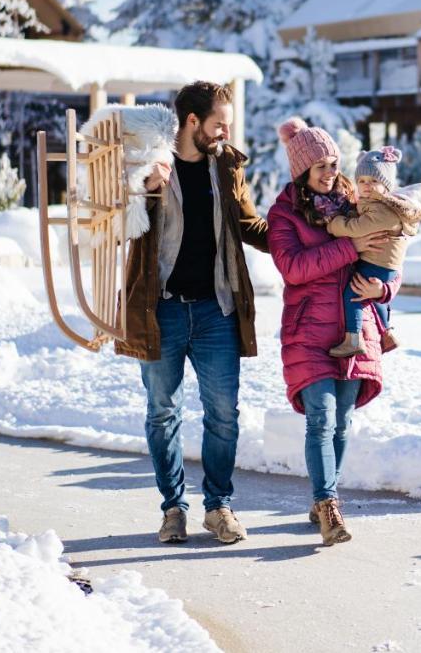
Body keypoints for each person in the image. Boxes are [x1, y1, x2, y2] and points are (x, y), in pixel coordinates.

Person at [116, 80, 268, 546]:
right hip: (159, 308)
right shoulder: (148, 163)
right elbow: (108, 209)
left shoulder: (227, 168)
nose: (226, 132)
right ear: (192, 121)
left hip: (216, 310)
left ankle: (219, 506)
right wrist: (140, 187)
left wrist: (312, 235)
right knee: (163, 413)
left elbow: (248, 224)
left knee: (224, 414)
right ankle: (173, 508)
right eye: (219, 123)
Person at [266, 117, 395, 546]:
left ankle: (325, 496)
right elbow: (293, 268)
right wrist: (349, 247)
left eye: (333, 162)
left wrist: (385, 288)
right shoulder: (284, 213)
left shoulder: (357, 201)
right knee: (320, 418)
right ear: (302, 170)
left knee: (342, 421)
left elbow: (391, 254)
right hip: (309, 330)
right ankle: (328, 504)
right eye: (319, 164)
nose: (329, 171)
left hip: (357, 325)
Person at [322, 146, 421, 357]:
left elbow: (357, 228)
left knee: (353, 295)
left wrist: (334, 224)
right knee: (369, 295)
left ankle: (352, 339)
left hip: (379, 263)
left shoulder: (383, 209)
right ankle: (387, 334)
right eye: (362, 181)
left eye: (374, 181)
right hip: (382, 263)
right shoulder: (374, 203)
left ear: (386, 185)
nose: (367, 186)